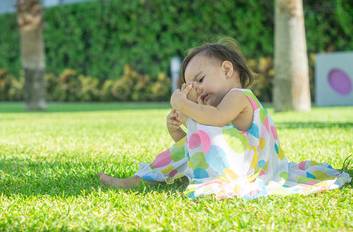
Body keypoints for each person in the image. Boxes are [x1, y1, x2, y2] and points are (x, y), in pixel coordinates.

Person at [99, 37, 351, 200]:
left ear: (227, 69)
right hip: (238, 162)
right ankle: (141, 179)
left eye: (200, 80)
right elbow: (198, 144)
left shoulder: (239, 97)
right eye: (190, 85)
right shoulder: (215, 109)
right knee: (182, 148)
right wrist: (180, 129)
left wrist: (181, 102)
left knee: (187, 145)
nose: (196, 88)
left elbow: (216, 119)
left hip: (251, 171)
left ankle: (137, 181)